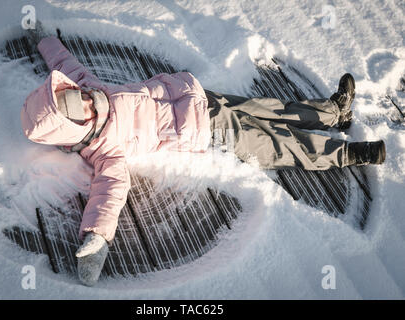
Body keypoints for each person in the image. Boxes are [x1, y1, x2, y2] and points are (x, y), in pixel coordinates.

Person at [21, 24, 385, 286]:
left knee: (269, 109)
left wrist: (44, 40)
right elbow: (109, 193)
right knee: (275, 144)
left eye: (69, 92)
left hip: (197, 94)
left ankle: (333, 113)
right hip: (207, 128)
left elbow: (65, 65)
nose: (79, 95)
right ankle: (349, 154)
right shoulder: (105, 151)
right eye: (71, 103)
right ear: (71, 130)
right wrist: (96, 240)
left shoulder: (89, 90)